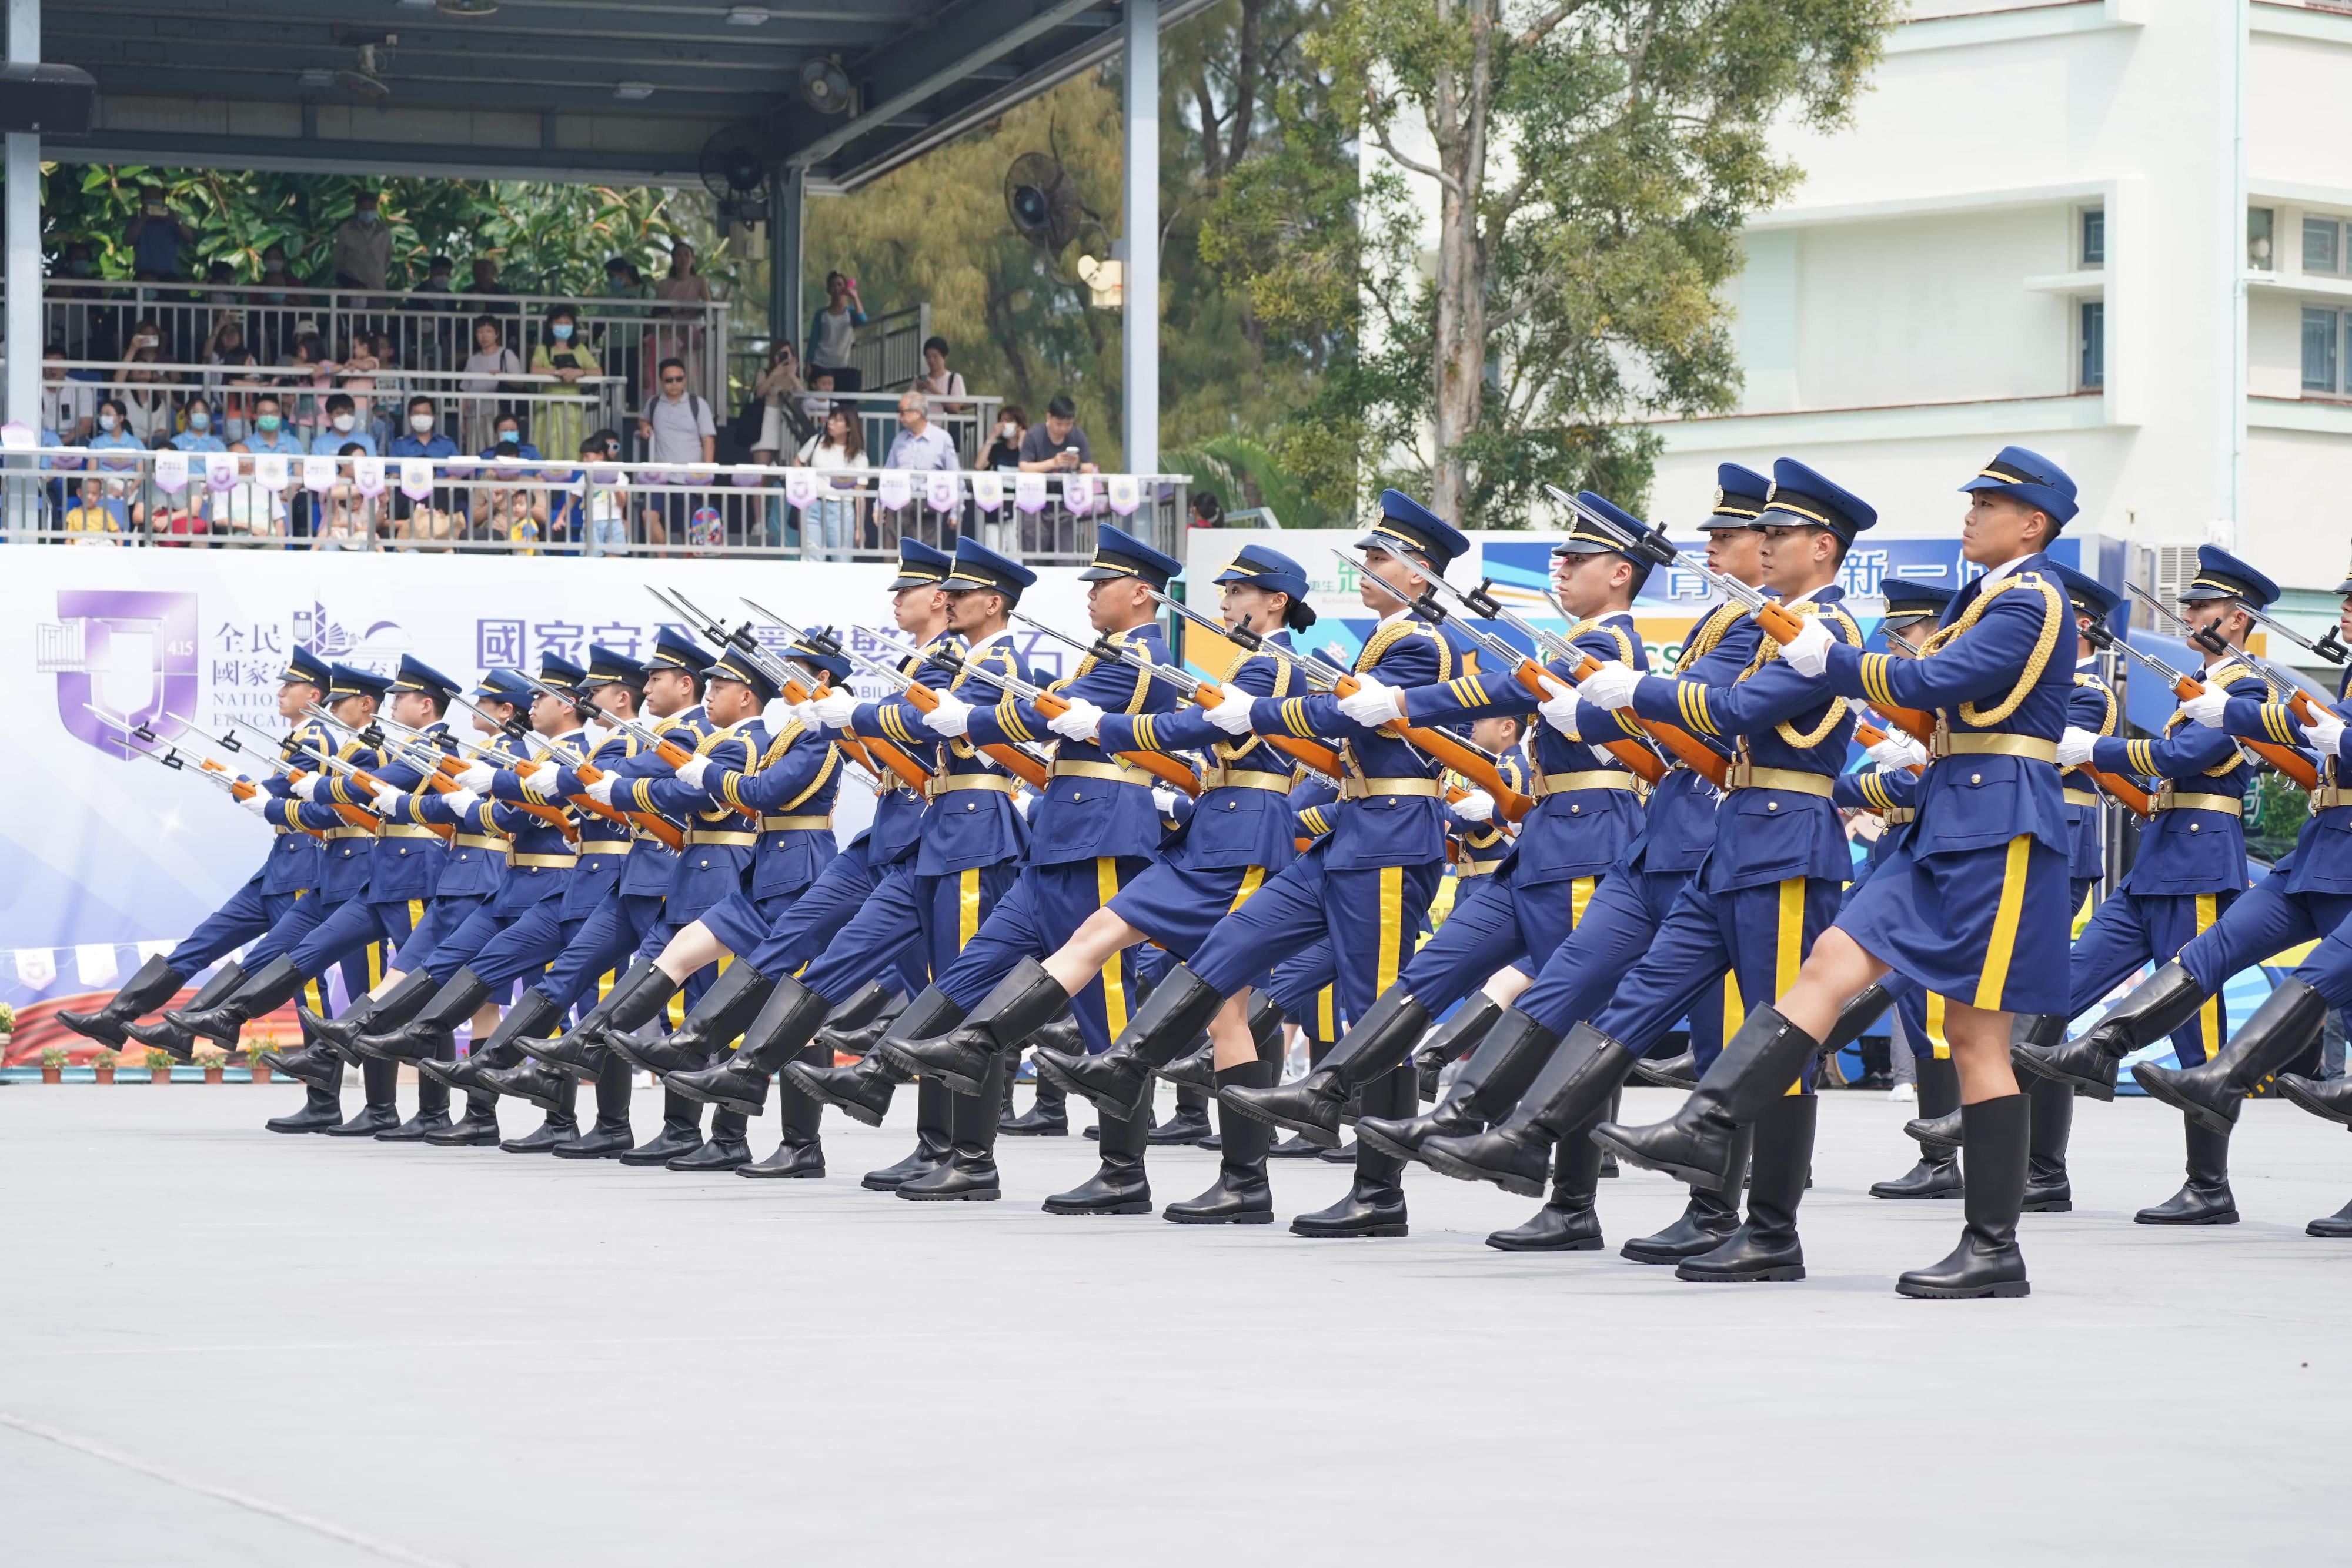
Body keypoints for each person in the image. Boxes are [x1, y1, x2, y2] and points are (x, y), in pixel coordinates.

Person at [1582, 446, 2082, 1300]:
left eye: (1987, 504)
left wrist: (1829, 659)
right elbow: (1926, 701)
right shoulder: (1986, 596)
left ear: (2031, 524)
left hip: (2003, 824)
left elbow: (1930, 679)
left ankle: (1994, 1245)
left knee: (1975, 1038)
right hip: (1948, 819)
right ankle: (1707, 1124)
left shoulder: (2033, 598)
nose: (1970, 514)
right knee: (1827, 967)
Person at [636, 355, 715, 552]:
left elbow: (708, 441)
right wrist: (644, 425)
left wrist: (705, 473)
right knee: (649, 516)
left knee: (688, 527)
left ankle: (689, 565)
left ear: (685, 379)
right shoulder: (653, 403)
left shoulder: (698, 404)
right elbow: (642, 419)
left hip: (689, 478)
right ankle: (663, 563)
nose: (675, 384)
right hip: (660, 477)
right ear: (661, 382)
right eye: (669, 380)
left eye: (679, 379)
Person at [387, 394, 462, 546]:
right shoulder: (400, 444)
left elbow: (458, 477)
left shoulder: (446, 443)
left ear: (434, 417)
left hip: (442, 497)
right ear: (409, 417)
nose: (421, 418)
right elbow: (394, 476)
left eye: (426, 414)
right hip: (408, 498)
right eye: (417, 414)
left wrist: (433, 482)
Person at [533, 304, 601, 471]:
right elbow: (534, 370)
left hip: (573, 407)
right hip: (549, 406)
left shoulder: (580, 349)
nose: (563, 326)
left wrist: (579, 372)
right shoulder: (543, 349)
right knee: (548, 445)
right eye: (559, 322)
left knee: (573, 445)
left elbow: (598, 372)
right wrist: (558, 372)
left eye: (567, 322)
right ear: (551, 325)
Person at [796, 405, 867, 562]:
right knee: (812, 559)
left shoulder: (859, 457)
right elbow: (798, 461)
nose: (831, 423)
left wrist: (859, 527)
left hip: (841, 509)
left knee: (842, 560)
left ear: (849, 427)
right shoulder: (817, 442)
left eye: (838, 420)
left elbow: (860, 495)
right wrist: (804, 483)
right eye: (831, 418)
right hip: (813, 505)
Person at [472, 413, 547, 546]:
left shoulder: (531, 483)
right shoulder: (485, 483)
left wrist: (523, 500)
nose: (507, 469)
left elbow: (544, 518)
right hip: (493, 536)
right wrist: (494, 503)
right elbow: (473, 520)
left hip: (523, 535)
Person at [459, 315, 524, 450]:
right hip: (474, 415)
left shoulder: (506, 354)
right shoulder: (473, 359)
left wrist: (503, 376)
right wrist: (463, 421)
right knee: (474, 454)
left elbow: (520, 382)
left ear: (497, 334)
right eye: (480, 332)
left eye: (488, 331)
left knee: (496, 452)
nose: (484, 336)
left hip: (496, 415)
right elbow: (465, 390)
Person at [806, 270, 867, 392]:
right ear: (829, 289)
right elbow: (814, 339)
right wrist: (808, 363)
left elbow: (862, 320)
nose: (837, 288)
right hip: (821, 363)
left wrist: (855, 297)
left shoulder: (849, 313)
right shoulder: (822, 315)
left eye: (840, 285)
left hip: (841, 365)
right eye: (833, 285)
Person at [315, 442, 378, 549]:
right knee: (329, 547)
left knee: (368, 546)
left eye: (363, 462)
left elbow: (376, 518)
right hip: (333, 534)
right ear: (342, 463)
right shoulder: (330, 480)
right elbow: (332, 494)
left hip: (361, 535)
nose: (360, 466)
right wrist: (366, 486)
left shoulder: (369, 484)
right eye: (356, 462)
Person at [125, 185, 195, 281]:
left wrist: (176, 221)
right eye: (149, 198)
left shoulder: (172, 222)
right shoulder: (136, 221)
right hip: (144, 274)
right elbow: (128, 241)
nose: (153, 201)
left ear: (163, 201)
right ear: (142, 202)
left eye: (157, 198)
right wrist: (143, 218)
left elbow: (189, 238)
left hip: (170, 275)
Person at [750, 340, 804, 464]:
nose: (783, 357)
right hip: (766, 422)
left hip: (787, 425)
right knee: (762, 471)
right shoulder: (764, 373)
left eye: (786, 353)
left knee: (784, 469)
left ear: (792, 356)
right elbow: (759, 393)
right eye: (779, 354)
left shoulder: (795, 377)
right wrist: (774, 374)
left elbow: (803, 397)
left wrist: (791, 375)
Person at [1017, 395, 1098, 473]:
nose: (1063, 428)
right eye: (1059, 424)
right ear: (1048, 417)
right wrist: (1053, 463)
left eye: (1068, 424)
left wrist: (1077, 466)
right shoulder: (1034, 435)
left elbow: (1089, 468)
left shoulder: (1078, 436)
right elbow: (1023, 467)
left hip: (1069, 486)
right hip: (1040, 486)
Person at [332, 190, 392, 293]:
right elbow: (339, 259)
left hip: (376, 288)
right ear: (357, 209)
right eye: (364, 209)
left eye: (371, 209)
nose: (368, 213)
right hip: (351, 289)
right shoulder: (345, 230)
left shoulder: (384, 232)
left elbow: (388, 259)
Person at [43, 345, 95, 447]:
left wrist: (58, 443)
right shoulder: (34, 389)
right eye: (48, 363)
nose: (53, 368)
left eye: (57, 363)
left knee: (83, 445)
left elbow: (85, 427)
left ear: (66, 367)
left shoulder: (82, 390)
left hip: (71, 436)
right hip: (42, 436)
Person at [915, 335, 967, 413]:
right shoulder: (920, 379)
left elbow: (956, 408)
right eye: (928, 357)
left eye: (935, 356)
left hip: (944, 424)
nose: (932, 360)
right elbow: (909, 406)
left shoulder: (954, 378)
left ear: (945, 357)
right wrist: (918, 390)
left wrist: (933, 389)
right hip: (922, 424)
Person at [983, 405, 1026, 471]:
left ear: (1019, 426)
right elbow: (979, 466)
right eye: (1001, 421)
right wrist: (992, 436)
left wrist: (1021, 444)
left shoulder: (1030, 449)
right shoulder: (996, 449)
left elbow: (1031, 469)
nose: (1003, 425)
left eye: (1008, 421)